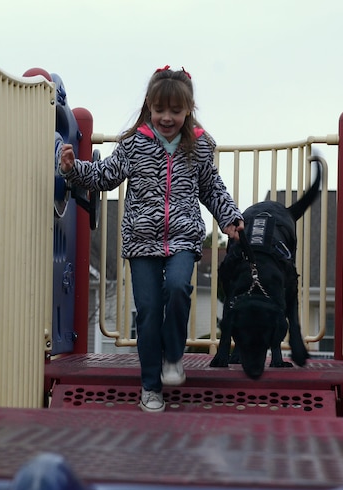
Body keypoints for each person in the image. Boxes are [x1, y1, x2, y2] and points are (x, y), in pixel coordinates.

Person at [59, 66, 244, 413]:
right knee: (146, 310)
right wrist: (73, 170)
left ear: (189, 109)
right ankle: (150, 387)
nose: (167, 118)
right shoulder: (134, 143)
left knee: (176, 288)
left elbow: (212, 188)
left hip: (184, 235)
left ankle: (173, 355)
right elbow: (105, 175)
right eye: (160, 110)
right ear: (149, 105)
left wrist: (229, 217)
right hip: (142, 239)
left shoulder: (199, 146)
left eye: (176, 110)